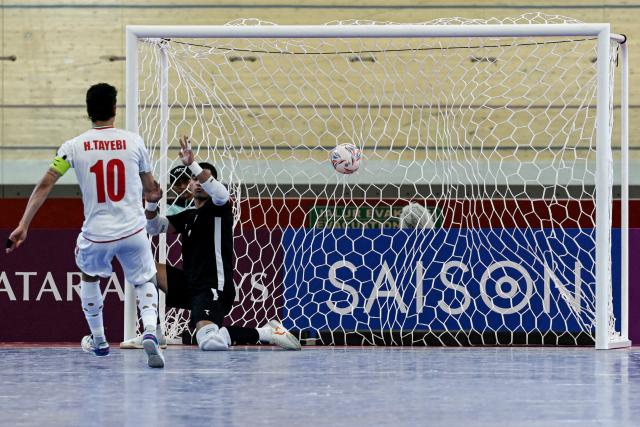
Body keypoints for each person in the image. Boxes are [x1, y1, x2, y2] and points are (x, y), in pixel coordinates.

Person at [5, 83, 165, 368]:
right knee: (144, 280)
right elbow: (150, 189)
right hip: (132, 230)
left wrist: (23, 224)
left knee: (90, 277)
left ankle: (100, 340)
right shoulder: (134, 141)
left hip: (97, 234)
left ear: (88, 112)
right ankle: (150, 331)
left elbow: (46, 182)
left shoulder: (72, 146)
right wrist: (153, 194)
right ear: (115, 108)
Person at [143, 136, 300, 351]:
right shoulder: (188, 215)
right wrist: (151, 203)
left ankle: (267, 332)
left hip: (213, 288)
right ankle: (155, 332)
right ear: (189, 184)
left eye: (202, 179)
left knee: (210, 343)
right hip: (190, 284)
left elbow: (221, 192)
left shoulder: (220, 207)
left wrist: (192, 164)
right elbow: (153, 227)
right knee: (144, 271)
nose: (198, 182)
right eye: (193, 179)